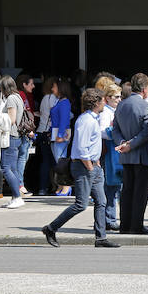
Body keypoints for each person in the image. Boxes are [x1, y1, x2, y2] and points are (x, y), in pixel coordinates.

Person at [41, 88, 120, 248]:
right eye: (103, 100)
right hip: (84, 166)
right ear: (96, 103)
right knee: (81, 204)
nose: (104, 102)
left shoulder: (93, 118)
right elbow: (82, 148)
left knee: (101, 201)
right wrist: (90, 166)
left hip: (92, 165)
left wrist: (95, 163)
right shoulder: (86, 120)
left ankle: (101, 238)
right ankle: (51, 228)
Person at [112, 73, 148, 235]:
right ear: (144, 90)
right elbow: (147, 132)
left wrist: (122, 143)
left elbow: (115, 128)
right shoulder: (146, 106)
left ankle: (125, 225)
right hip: (141, 155)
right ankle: (136, 225)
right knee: (140, 192)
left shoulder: (121, 105)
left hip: (125, 154)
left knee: (127, 191)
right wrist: (130, 145)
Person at [0, 75, 26, 209]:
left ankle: (17, 196)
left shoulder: (10, 98)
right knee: (13, 168)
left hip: (10, 135)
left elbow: (12, 119)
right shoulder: (18, 97)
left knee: (5, 167)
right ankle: (16, 197)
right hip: (17, 137)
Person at [100, 83, 123, 231]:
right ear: (107, 98)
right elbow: (102, 131)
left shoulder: (113, 111)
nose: (119, 99)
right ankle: (109, 219)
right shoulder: (105, 113)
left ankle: (111, 218)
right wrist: (115, 131)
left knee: (115, 186)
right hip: (110, 151)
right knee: (111, 186)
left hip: (116, 151)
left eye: (120, 96)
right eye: (116, 97)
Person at [36, 76, 60, 196]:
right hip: (48, 132)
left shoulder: (45, 98)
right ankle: (51, 187)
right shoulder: (51, 98)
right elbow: (55, 113)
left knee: (47, 162)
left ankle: (45, 187)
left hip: (42, 131)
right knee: (51, 162)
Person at [14, 73, 36, 196]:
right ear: (24, 84)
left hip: (23, 132)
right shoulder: (21, 95)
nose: (33, 86)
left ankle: (19, 184)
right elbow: (24, 116)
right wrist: (30, 130)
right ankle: (20, 185)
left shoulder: (24, 95)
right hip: (24, 132)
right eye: (31, 84)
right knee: (22, 158)